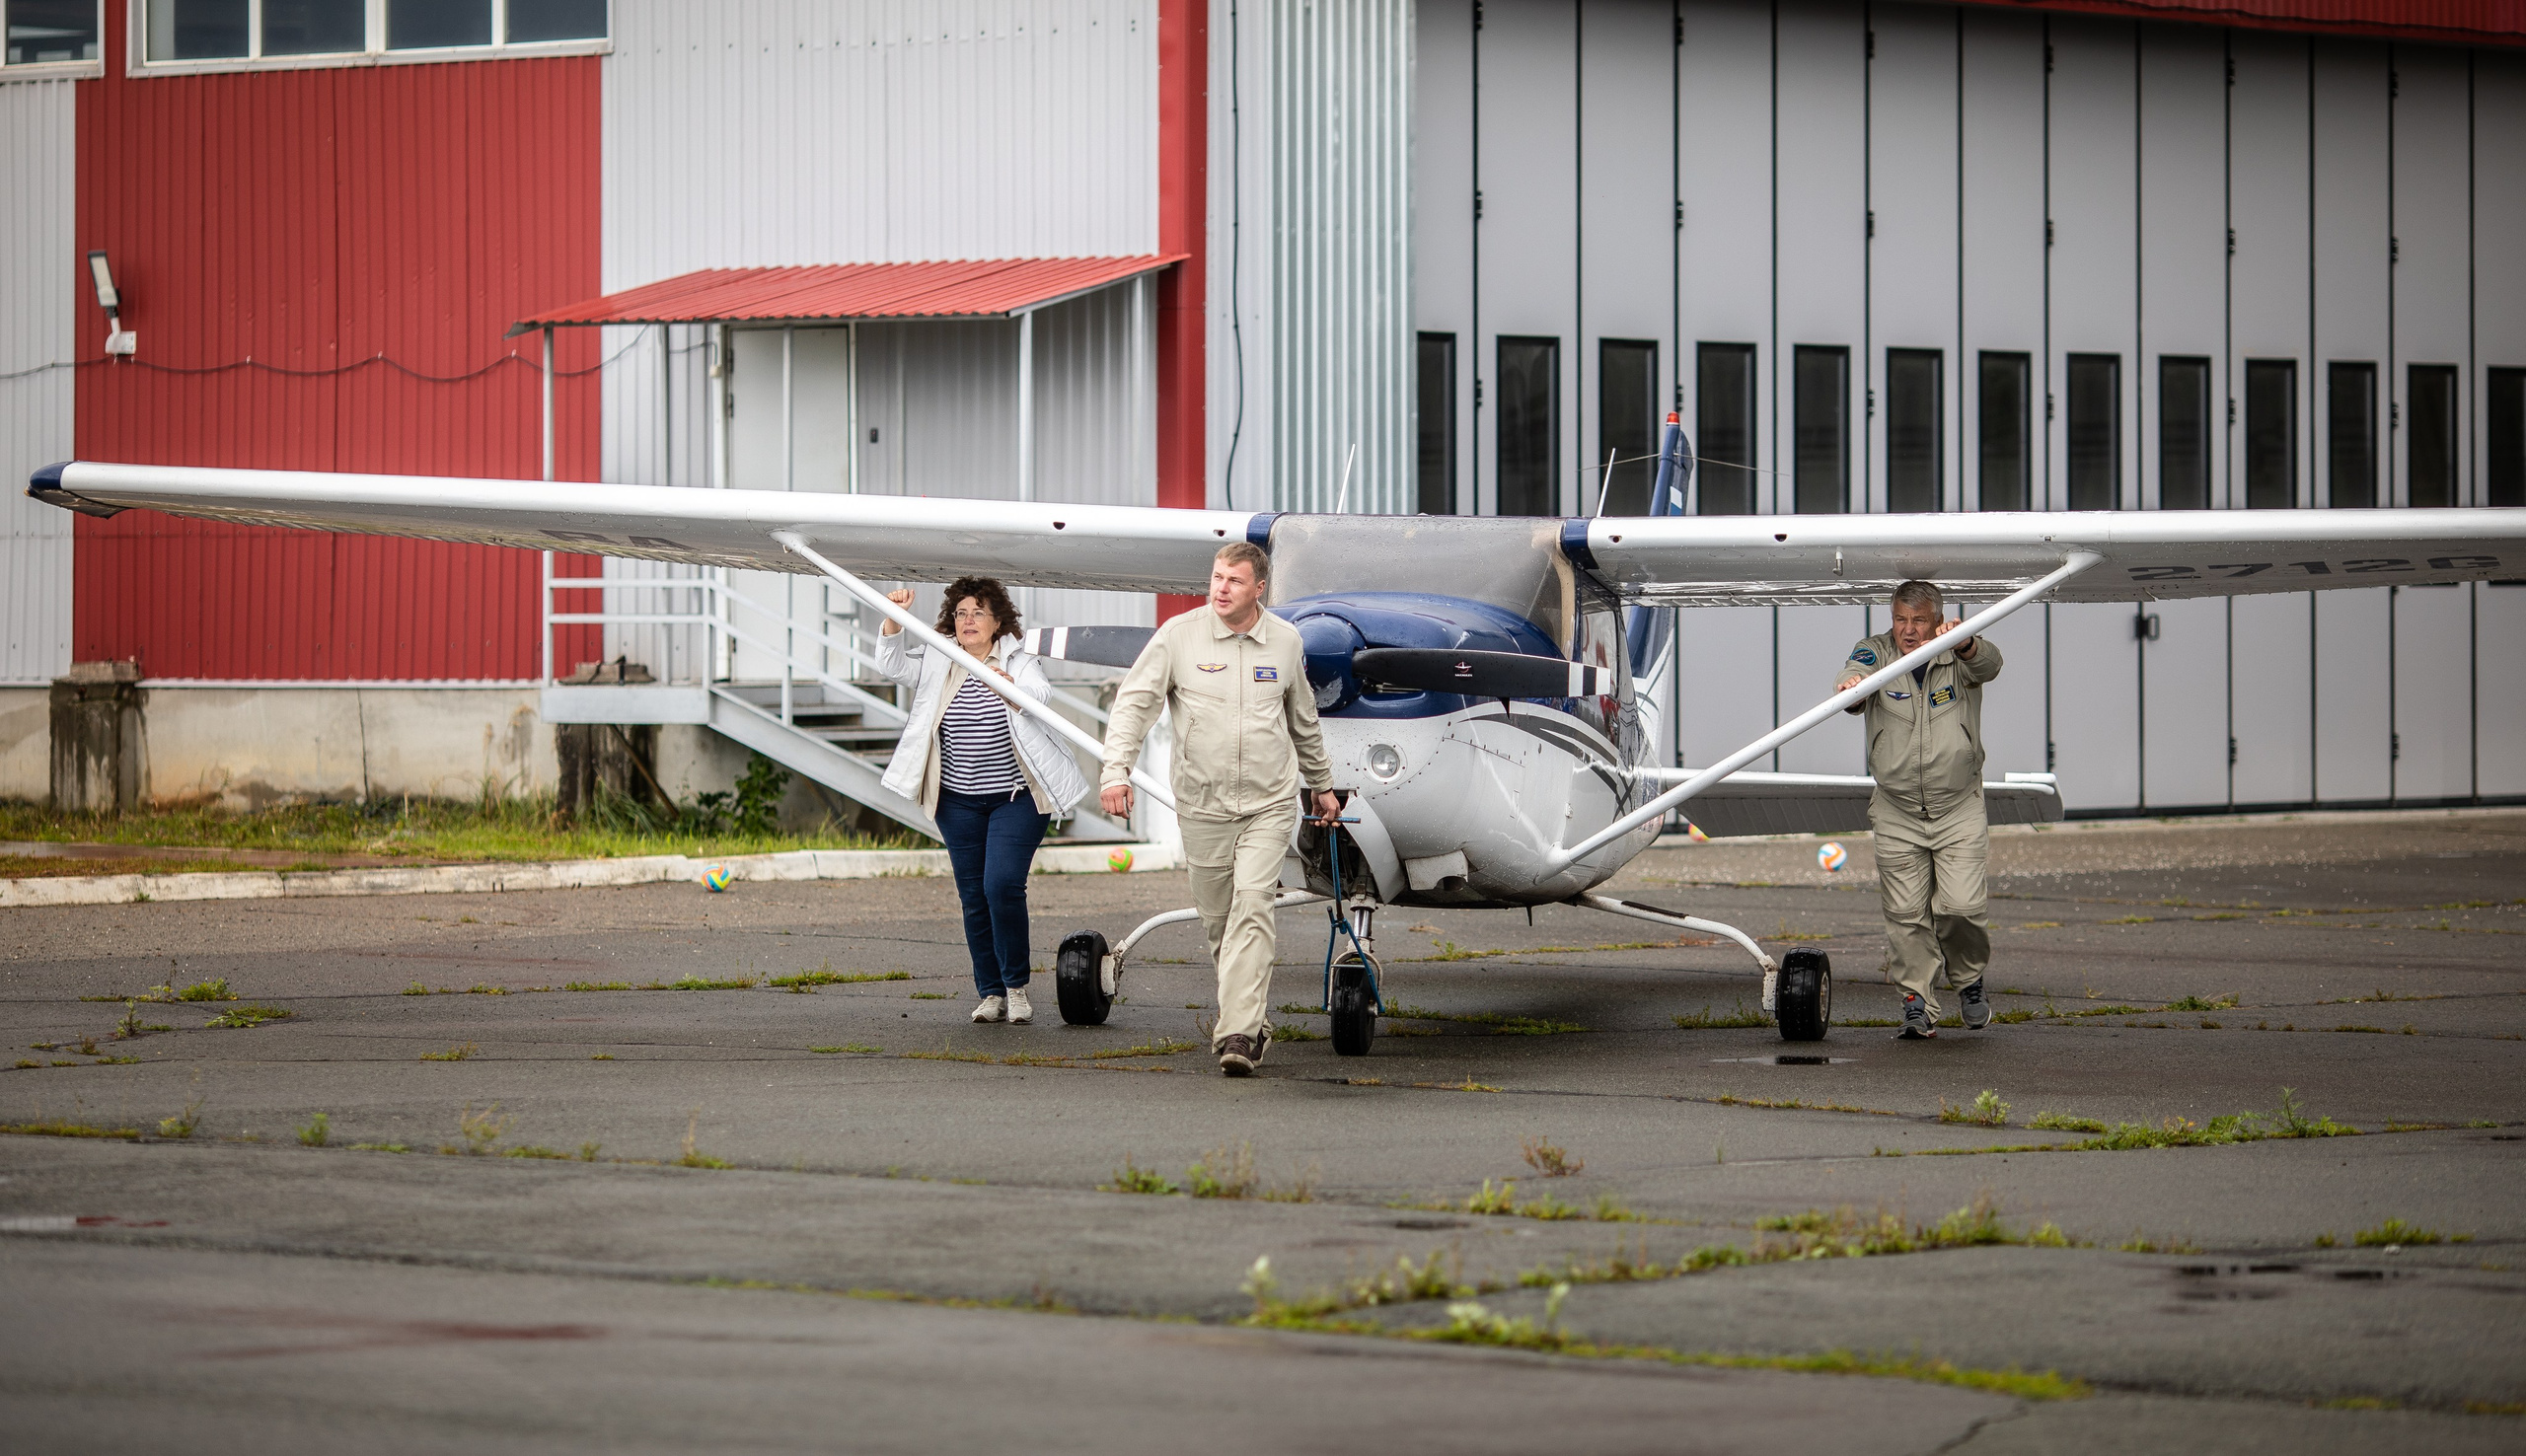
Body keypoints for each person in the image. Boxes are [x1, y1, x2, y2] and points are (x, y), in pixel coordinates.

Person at [1098, 543, 1341, 1076]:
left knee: (1253, 905)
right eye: (1216, 577)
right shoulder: (1179, 636)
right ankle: (1250, 1015)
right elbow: (1135, 703)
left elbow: (1303, 720)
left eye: (1234, 580)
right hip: (1202, 805)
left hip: (1268, 804)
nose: (1221, 588)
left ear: (1260, 588)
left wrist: (1322, 784)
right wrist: (1116, 771)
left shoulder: (1284, 641)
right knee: (1219, 922)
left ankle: (1238, 1033)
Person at [874, 577, 1087, 1026]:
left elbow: (1040, 696)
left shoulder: (1017, 658)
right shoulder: (940, 654)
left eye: (978, 613)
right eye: (961, 613)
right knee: (973, 896)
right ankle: (990, 993)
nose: (968, 621)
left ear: (997, 622)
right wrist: (894, 619)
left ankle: (1016, 987)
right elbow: (894, 668)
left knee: (1001, 886)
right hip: (957, 801)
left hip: (1016, 798)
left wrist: (1014, 689)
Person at [1835, 579, 2004, 1041]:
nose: (1908, 631)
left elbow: (1991, 663)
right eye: (1900, 620)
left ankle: (1968, 979)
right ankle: (1916, 1004)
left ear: (1936, 620)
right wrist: (1852, 686)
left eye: (1919, 621)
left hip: (1958, 807)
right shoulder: (1876, 651)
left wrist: (1965, 642)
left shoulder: (1957, 651)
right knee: (1905, 913)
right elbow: (1852, 680)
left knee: (1961, 907)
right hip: (1897, 808)